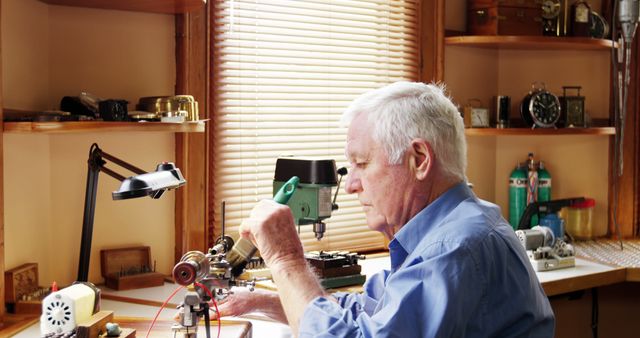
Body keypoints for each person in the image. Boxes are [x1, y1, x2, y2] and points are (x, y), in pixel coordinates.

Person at [218, 82, 555, 337]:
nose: (350, 185)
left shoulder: (453, 248)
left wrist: (286, 260)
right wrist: (272, 304)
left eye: (361, 164)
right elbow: (372, 312)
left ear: (419, 160)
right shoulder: (454, 226)